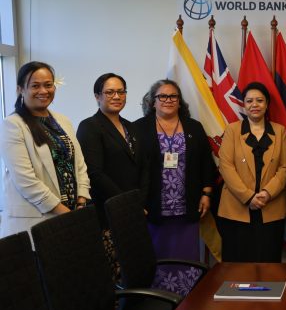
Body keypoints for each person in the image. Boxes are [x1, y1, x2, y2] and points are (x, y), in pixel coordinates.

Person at [135, 79, 215, 294]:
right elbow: (133, 168)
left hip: (187, 205)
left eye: (173, 96)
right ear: (153, 101)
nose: (168, 100)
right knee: (157, 256)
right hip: (153, 207)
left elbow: (206, 163)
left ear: (180, 101)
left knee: (186, 256)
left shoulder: (194, 127)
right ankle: (158, 299)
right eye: (162, 96)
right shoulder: (138, 128)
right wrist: (137, 201)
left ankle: (188, 297)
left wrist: (207, 193)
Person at [0, 61, 90, 238]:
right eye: (35, 86)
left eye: (48, 85)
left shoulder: (62, 121)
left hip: (71, 214)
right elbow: (26, 181)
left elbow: (79, 164)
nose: (43, 91)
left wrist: (81, 201)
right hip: (38, 220)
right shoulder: (12, 125)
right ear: (20, 89)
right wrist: (66, 213)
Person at [76, 73, 147, 276]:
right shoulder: (89, 127)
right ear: (97, 96)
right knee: (113, 273)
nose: (116, 96)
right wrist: (128, 204)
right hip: (107, 211)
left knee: (134, 268)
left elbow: (143, 167)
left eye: (121, 92)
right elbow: (95, 173)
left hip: (134, 210)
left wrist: (140, 202)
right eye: (109, 92)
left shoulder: (131, 127)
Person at [217, 82, 286, 262]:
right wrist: (248, 197)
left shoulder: (279, 131)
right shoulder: (232, 130)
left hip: (270, 206)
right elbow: (226, 166)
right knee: (237, 265)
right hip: (236, 208)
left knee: (269, 263)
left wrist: (267, 193)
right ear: (244, 104)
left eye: (259, 100)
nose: (254, 105)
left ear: (267, 104)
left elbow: (284, 168)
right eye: (249, 101)